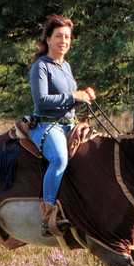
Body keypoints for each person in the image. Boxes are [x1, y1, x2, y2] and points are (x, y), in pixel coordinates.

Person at [28, 14, 96, 238]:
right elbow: (42, 101)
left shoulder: (65, 66)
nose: (63, 41)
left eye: (67, 37)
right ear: (48, 39)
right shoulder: (40, 66)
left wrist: (83, 96)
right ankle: (49, 216)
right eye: (58, 36)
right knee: (59, 159)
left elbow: (69, 97)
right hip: (48, 125)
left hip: (70, 124)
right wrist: (72, 95)